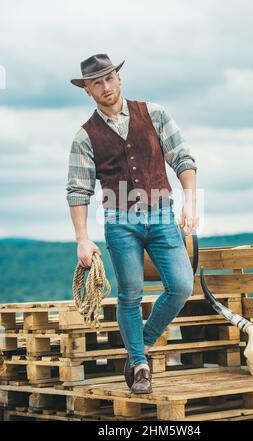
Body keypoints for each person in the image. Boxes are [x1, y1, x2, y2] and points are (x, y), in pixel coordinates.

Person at [66, 53, 199, 394]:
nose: (105, 86)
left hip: (162, 215)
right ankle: (140, 365)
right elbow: (78, 190)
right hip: (119, 220)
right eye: (97, 82)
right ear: (88, 90)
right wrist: (82, 239)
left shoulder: (154, 113)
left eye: (110, 78)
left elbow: (182, 157)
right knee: (130, 294)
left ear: (119, 79)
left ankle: (142, 346)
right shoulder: (85, 137)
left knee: (182, 286)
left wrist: (190, 201)